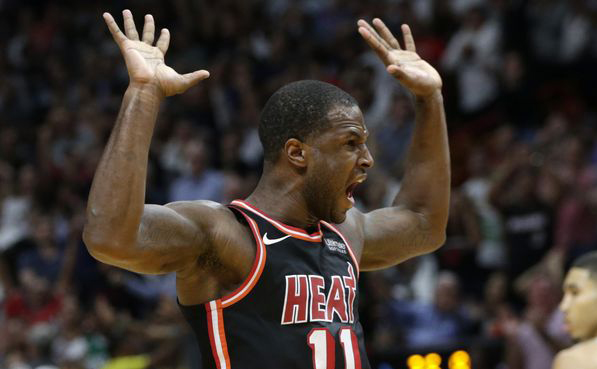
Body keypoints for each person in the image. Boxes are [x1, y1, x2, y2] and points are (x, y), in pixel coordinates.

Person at [82, 9, 449, 369]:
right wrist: (143, 93)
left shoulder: (346, 232)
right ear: (297, 153)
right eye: (351, 143)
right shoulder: (225, 235)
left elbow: (423, 223)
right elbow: (109, 236)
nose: (367, 159)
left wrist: (430, 99)